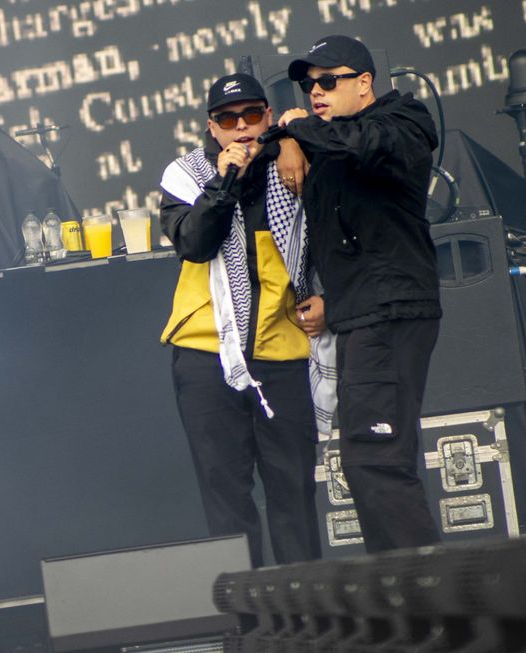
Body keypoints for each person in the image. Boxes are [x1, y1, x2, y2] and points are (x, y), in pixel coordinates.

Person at [277, 35, 442, 552]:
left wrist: (297, 129)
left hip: (389, 310)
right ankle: (406, 598)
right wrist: (285, 141)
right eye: (308, 86)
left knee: (377, 459)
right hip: (361, 312)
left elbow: (361, 146)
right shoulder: (324, 138)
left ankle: (426, 606)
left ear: (365, 83)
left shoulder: (403, 118)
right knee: (366, 460)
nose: (316, 92)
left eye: (328, 81)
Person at [159, 72, 324, 567]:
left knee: (293, 492)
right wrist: (223, 183)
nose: (241, 127)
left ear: (267, 116)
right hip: (207, 357)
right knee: (226, 499)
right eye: (228, 119)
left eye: (253, 114)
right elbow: (194, 243)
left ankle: (311, 621)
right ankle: (248, 626)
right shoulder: (185, 175)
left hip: (280, 354)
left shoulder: (293, 161)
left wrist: (327, 297)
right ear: (212, 128)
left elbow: (338, 232)